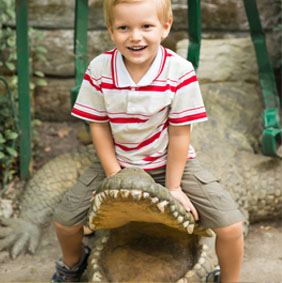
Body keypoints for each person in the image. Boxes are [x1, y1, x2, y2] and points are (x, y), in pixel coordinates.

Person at [51, 0, 244, 282]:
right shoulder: (100, 68)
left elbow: (180, 133)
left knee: (231, 227)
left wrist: (174, 186)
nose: (135, 36)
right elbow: (99, 126)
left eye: (146, 26)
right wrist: (114, 178)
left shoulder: (180, 71)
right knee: (65, 221)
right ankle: (74, 263)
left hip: (171, 163)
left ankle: (228, 279)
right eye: (124, 28)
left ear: (165, 28)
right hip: (119, 162)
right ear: (110, 30)